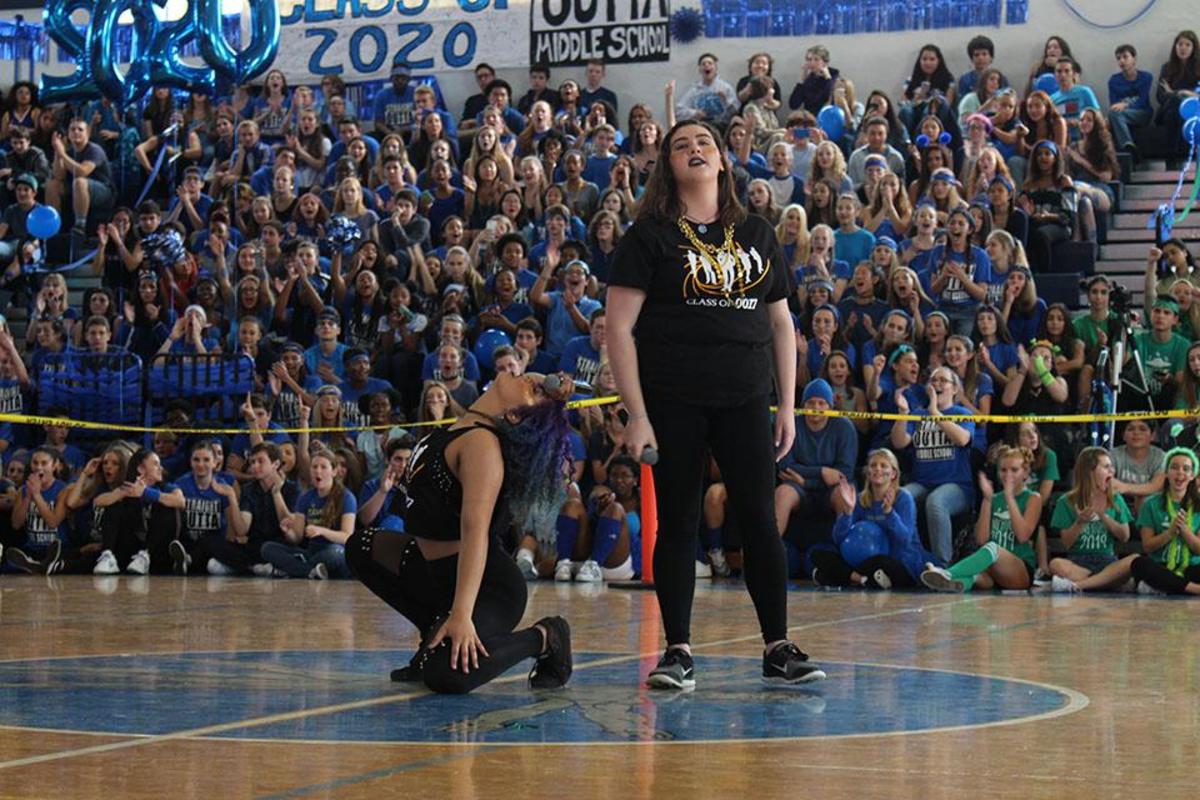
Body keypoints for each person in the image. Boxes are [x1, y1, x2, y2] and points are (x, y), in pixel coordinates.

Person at [607, 119, 825, 690]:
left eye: (704, 142)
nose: (694, 149)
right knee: (677, 525)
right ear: (668, 167)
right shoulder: (648, 236)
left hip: (747, 398)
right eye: (681, 145)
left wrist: (786, 406)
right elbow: (618, 330)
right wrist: (638, 413)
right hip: (673, 400)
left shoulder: (756, 231)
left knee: (759, 521)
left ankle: (778, 646)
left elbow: (781, 324)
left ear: (723, 161)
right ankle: (676, 650)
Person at [344, 370, 575, 694]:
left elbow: (475, 533)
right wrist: (547, 387)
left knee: (446, 675)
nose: (526, 378)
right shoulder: (458, 429)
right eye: (529, 380)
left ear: (513, 414)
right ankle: (433, 634)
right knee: (360, 546)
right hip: (433, 573)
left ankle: (545, 636)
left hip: (487, 588)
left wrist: (462, 615)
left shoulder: (482, 446)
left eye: (534, 391)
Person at [921, 445, 1043, 592]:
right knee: (975, 576)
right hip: (992, 569)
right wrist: (987, 500)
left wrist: (1010, 498)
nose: (1008, 475)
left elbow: (1023, 536)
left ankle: (947, 573)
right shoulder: (995, 499)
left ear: (1026, 472)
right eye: (1003, 470)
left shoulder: (1033, 498)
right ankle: (947, 584)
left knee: (993, 548)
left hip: (1019, 569)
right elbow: (981, 539)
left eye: (1014, 470)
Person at [815, 448, 936, 589]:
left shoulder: (903, 497)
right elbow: (839, 539)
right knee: (818, 553)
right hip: (864, 561)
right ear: (867, 472)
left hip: (898, 559)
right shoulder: (861, 499)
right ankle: (860, 579)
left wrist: (889, 513)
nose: (877, 469)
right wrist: (847, 513)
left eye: (883, 465)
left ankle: (844, 577)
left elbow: (904, 540)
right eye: (873, 465)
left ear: (893, 474)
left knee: (881, 563)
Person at [1049, 447, 1137, 593]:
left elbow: (1125, 536)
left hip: (1108, 561)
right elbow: (1066, 543)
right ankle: (1105, 582)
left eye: (1111, 467)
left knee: (1134, 559)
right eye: (1106, 467)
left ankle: (1082, 584)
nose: (1112, 471)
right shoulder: (1066, 501)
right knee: (1056, 564)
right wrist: (1080, 522)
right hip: (1078, 562)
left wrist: (1103, 515)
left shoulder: (1115, 499)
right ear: (1089, 471)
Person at [1130, 447, 1200, 595]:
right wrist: (1170, 532)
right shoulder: (1150, 504)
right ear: (1166, 473)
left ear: (1192, 475)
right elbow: (1147, 546)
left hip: (1192, 568)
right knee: (1139, 563)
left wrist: (1185, 531)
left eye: (1186, 469)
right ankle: (1193, 589)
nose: (1180, 472)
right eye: (1174, 467)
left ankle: (1164, 587)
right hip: (1161, 566)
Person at [1107, 44, 1154, 155]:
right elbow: (1113, 104)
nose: (1122, 61)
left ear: (1134, 59)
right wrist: (1120, 107)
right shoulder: (1113, 80)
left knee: (1115, 114)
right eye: (1118, 58)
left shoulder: (1146, 77)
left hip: (1142, 113)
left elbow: (1142, 102)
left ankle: (1128, 148)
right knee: (1113, 113)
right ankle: (1128, 147)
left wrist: (1125, 105)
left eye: (1125, 57)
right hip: (1120, 115)